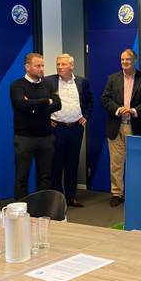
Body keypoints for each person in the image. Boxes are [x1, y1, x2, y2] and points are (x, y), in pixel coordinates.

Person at [101, 49, 141, 207]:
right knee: (116, 162)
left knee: (138, 161)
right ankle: (116, 193)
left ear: (135, 60)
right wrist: (118, 110)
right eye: (122, 59)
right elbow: (105, 99)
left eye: (128, 59)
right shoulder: (112, 78)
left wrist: (134, 110)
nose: (124, 62)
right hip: (116, 126)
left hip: (137, 126)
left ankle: (138, 191)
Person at [10, 53, 61, 200]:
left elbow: (58, 104)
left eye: (42, 66)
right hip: (24, 138)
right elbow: (21, 104)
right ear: (27, 67)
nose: (41, 69)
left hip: (46, 137)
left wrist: (33, 106)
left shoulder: (48, 84)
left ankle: (42, 208)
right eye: (38, 66)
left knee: (45, 176)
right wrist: (46, 101)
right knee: (22, 177)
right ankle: (21, 209)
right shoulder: (17, 85)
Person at [46, 54, 92, 208]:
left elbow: (90, 99)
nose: (59, 67)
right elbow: (41, 101)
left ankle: (71, 196)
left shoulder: (81, 81)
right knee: (56, 164)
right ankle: (57, 198)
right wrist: (47, 118)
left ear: (71, 66)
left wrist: (85, 116)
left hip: (75, 128)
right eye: (58, 64)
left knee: (73, 163)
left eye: (63, 64)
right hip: (57, 128)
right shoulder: (49, 81)